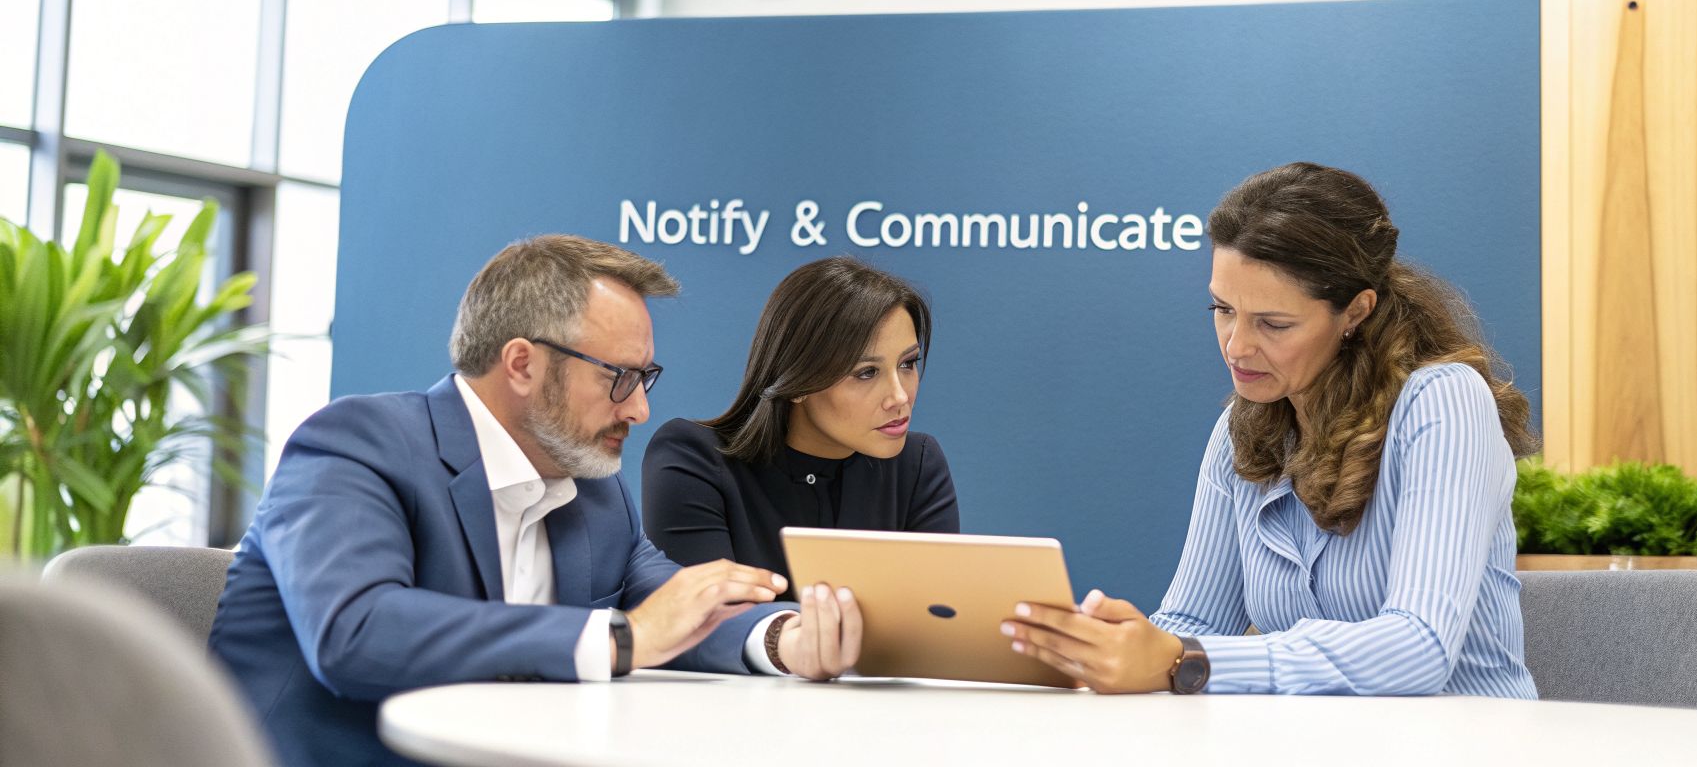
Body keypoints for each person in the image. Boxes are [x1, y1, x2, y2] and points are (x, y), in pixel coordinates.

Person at [209, 236, 862, 767]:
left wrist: (784, 639)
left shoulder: (595, 492)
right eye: (620, 378)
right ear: (521, 364)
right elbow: (355, 632)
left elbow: (671, 607)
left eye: (646, 378)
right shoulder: (356, 444)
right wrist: (622, 639)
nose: (639, 409)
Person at [1002, 162, 1540, 698]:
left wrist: (1183, 659)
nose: (1236, 346)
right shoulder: (1243, 427)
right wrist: (1104, 652)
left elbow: (1419, 649)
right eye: (1222, 309)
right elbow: (1196, 622)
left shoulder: (1443, 404)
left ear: (1355, 311)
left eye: (1273, 324)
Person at [642, 256, 959, 594]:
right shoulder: (692, 460)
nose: (900, 396)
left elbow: (935, 623)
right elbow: (706, 632)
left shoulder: (918, 463)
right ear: (796, 382)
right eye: (866, 373)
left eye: (908, 363)